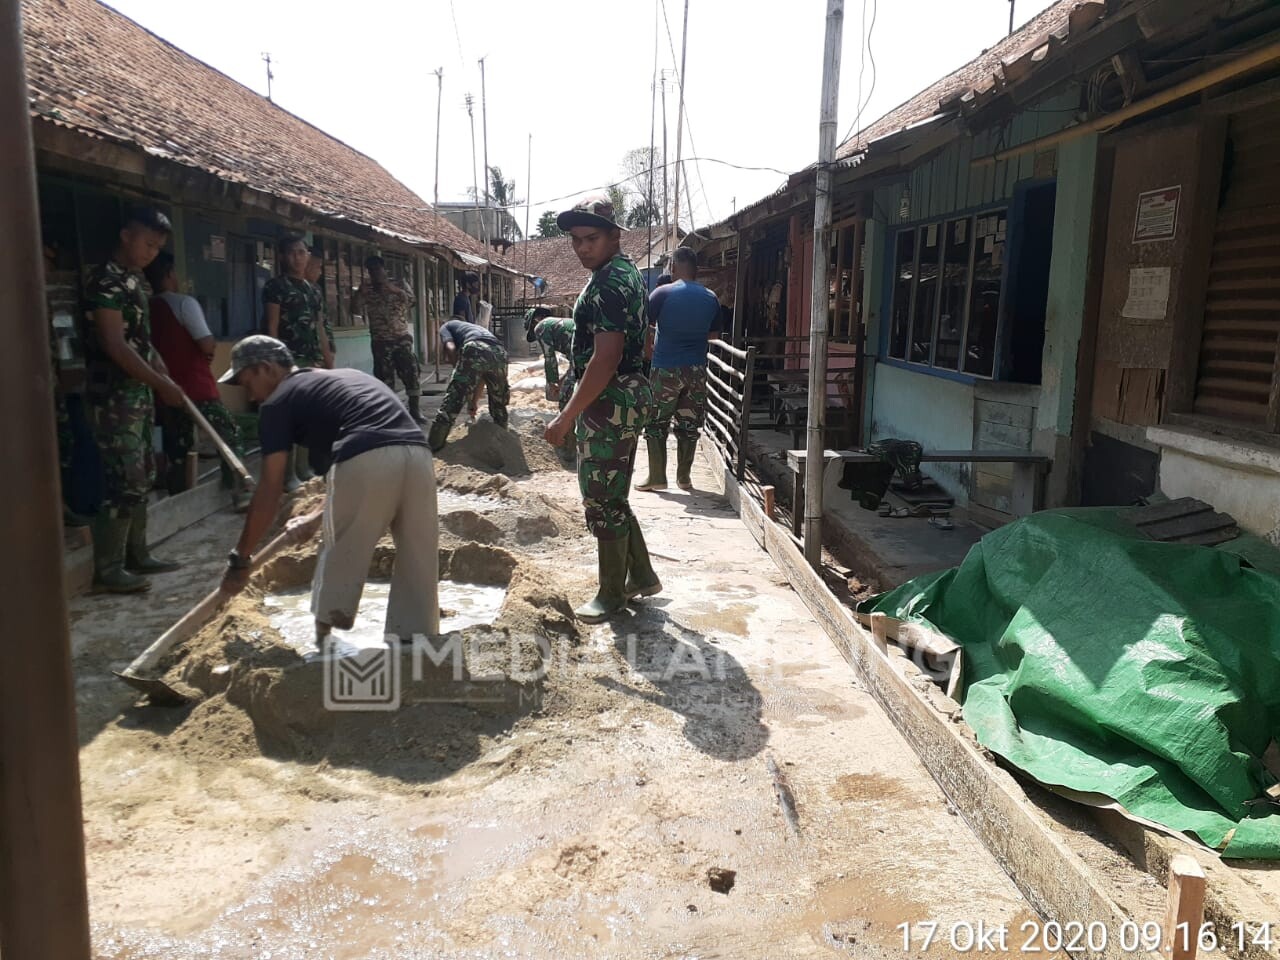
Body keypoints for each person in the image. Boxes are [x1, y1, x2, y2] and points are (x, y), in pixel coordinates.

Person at [218, 336, 438, 648]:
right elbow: (350, 480)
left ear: (265, 368)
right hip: (419, 455)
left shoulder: (278, 402)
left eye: (246, 382)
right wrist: (314, 516)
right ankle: (416, 642)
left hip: (366, 455)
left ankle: (323, 641)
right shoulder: (346, 378)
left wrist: (241, 558)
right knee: (418, 551)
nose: (250, 396)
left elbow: (270, 488)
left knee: (342, 543)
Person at [542, 195, 659, 622]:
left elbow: (605, 358)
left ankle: (611, 594)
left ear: (615, 236)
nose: (581, 248)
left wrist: (565, 415)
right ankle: (642, 575)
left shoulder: (610, 283)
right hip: (623, 397)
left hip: (609, 402)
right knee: (614, 495)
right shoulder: (623, 274)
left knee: (601, 500)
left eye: (591, 238)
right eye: (575, 239)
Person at [82, 207, 186, 593]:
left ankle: (137, 555)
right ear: (126, 235)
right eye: (147, 243)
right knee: (123, 477)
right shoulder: (104, 281)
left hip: (137, 392)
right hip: (113, 396)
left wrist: (162, 372)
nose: (151, 253)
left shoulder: (135, 281)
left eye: (157, 248)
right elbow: (115, 345)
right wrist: (159, 383)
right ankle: (108, 569)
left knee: (143, 472)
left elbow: (142, 341)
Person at [145, 252, 253, 510]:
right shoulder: (184, 304)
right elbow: (206, 343)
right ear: (171, 274)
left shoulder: (146, 307)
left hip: (164, 390)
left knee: (178, 446)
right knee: (227, 432)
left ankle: (180, 500)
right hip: (196, 386)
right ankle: (240, 491)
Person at [636, 247, 721, 493]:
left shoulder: (662, 293)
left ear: (672, 267)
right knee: (689, 424)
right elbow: (714, 334)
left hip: (665, 369)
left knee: (656, 423)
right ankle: (684, 478)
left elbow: (645, 327)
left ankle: (656, 477)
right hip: (696, 369)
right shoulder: (710, 297)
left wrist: (649, 351)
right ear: (696, 269)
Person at [263, 235, 333, 489]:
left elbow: (320, 328)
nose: (298, 257)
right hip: (288, 359)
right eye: (292, 253)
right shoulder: (276, 287)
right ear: (282, 256)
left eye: (302, 252)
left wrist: (328, 361)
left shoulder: (313, 290)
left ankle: (303, 468)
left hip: (312, 359)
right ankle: (287, 474)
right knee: (289, 416)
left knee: (309, 415)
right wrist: (272, 360)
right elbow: (272, 324)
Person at [351, 256, 424, 423]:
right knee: (385, 379)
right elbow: (354, 310)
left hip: (401, 338)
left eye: (377, 269)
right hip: (381, 341)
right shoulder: (366, 289)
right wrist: (358, 294)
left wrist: (395, 290)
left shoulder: (398, 284)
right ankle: (390, 414)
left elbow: (412, 301)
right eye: (371, 270)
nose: (375, 273)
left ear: (384, 269)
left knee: (411, 374)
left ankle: (415, 411)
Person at [426, 317, 510, 452]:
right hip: (499, 351)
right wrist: (473, 403)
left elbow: (450, 347)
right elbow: (482, 376)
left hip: (475, 348)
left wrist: (458, 374)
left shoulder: (447, 325)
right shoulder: (475, 329)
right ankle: (503, 440)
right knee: (499, 401)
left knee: (454, 399)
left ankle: (434, 446)